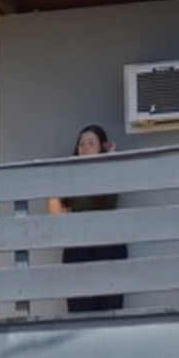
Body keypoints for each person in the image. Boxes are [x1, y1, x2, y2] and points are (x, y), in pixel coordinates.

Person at [51, 124, 126, 313]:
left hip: (108, 248)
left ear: (101, 147)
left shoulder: (111, 171)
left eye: (91, 143)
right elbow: (56, 214)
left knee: (110, 311)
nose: (84, 147)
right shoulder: (70, 178)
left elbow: (108, 195)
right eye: (81, 144)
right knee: (79, 311)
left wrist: (110, 158)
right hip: (78, 248)